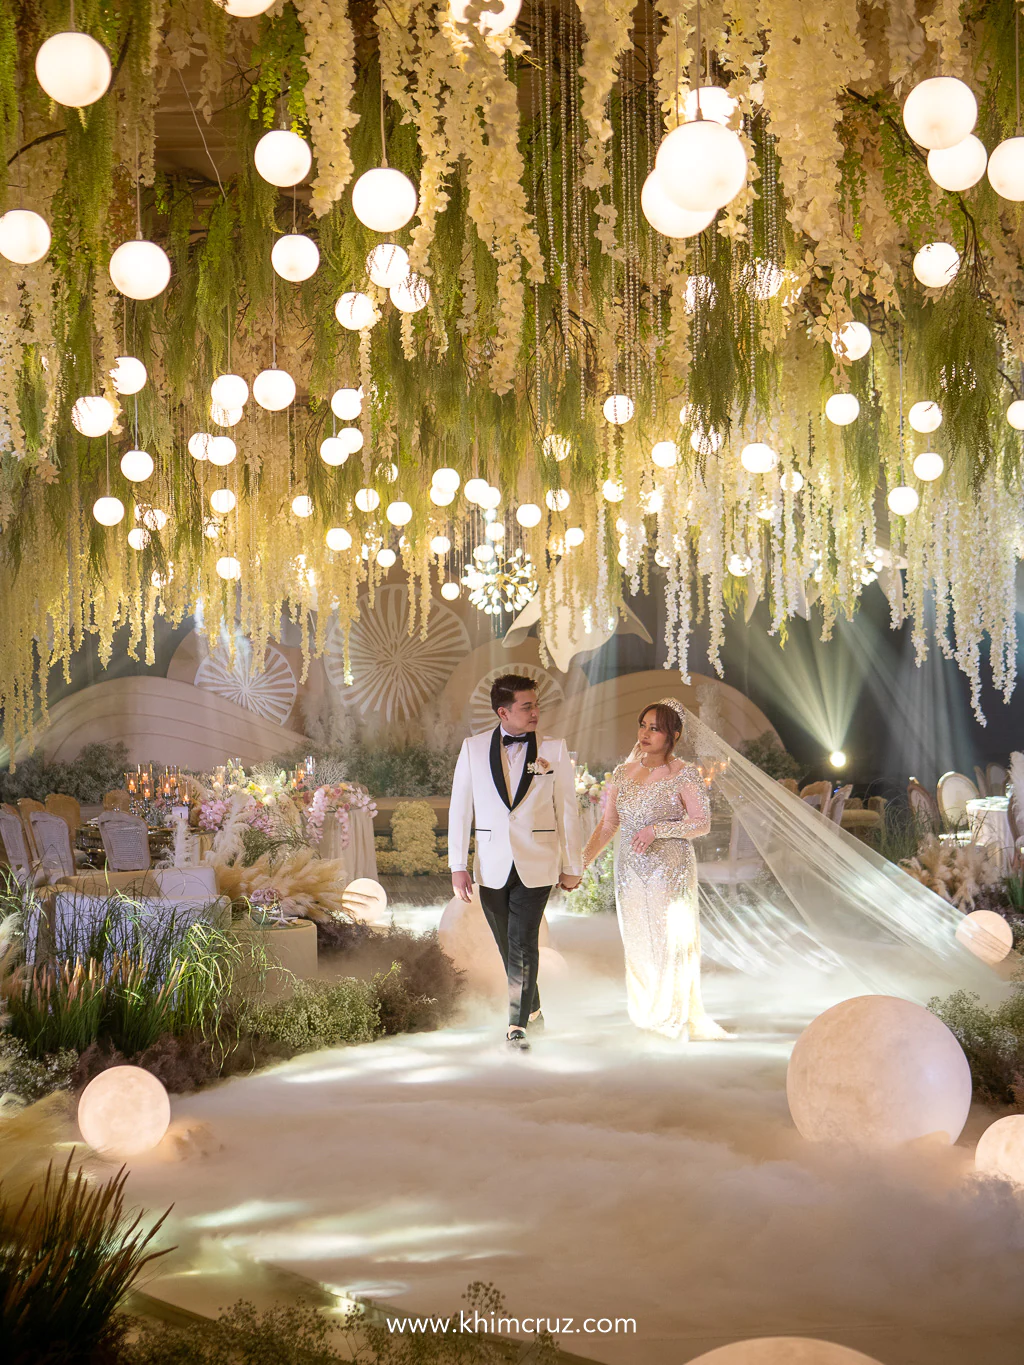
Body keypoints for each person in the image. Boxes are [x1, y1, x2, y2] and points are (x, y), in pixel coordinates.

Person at [449, 673, 583, 1051]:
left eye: (536, 705)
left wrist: (573, 865)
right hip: (490, 865)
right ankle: (535, 1013)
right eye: (527, 706)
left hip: (537, 862)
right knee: (508, 947)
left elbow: (568, 811)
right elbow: (461, 809)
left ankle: (516, 1025)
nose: (535, 712)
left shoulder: (554, 750)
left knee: (523, 942)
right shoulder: (473, 748)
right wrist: (457, 864)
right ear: (503, 712)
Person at [581, 698, 730, 1041]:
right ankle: (647, 1012)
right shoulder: (622, 773)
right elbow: (608, 826)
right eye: (643, 725)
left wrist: (657, 830)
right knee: (637, 940)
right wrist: (581, 862)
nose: (645, 734)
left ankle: (672, 1015)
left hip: (670, 866)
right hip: (630, 869)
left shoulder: (684, 774)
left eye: (655, 728)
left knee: (670, 941)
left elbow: (701, 823)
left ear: (673, 735)